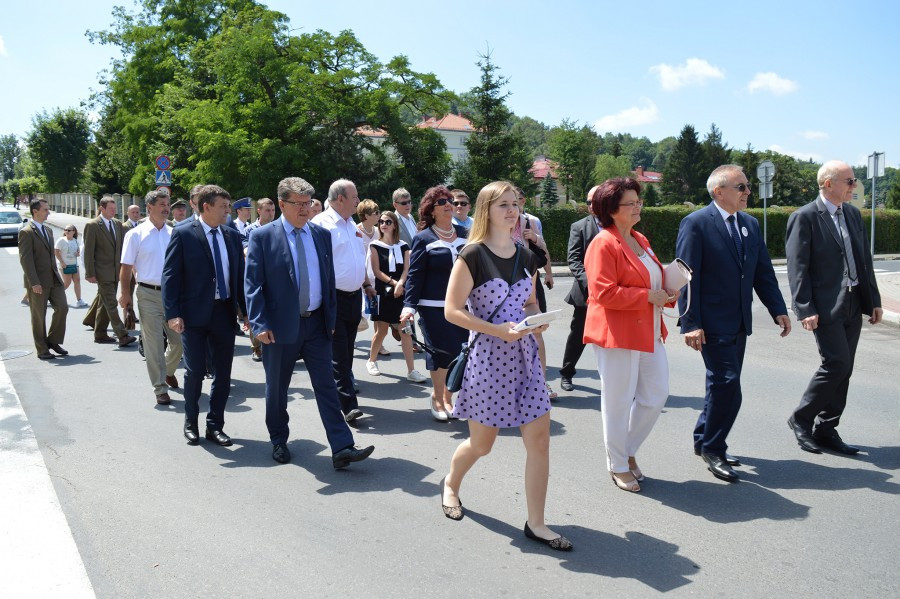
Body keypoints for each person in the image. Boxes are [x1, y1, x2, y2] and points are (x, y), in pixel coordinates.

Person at [440, 180, 571, 551]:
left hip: (525, 358)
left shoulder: (525, 255)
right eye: (503, 205)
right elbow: (452, 312)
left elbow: (528, 303)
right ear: (486, 210)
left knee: (540, 441)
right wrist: (495, 329)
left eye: (515, 203)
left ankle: (538, 523)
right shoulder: (472, 255)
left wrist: (537, 320)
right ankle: (451, 483)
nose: (512, 210)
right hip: (488, 361)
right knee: (482, 445)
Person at [245, 176, 375, 467]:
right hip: (279, 328)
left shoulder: (319, 235)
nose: (305, 210)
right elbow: (252, 285)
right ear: (281, 204)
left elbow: (327, 281)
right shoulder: (263, 237)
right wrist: (259, 323)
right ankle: (279, 439)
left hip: (316, 325)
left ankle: (342, 446)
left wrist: (329, 318)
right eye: (298, 204)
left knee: (327, 386)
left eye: (308, 204)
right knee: (277, 389)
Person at [675, 165, 791, 483]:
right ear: (719, 192)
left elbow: (762, 273)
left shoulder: (750, 225)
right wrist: (690, 322)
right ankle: (714, 447)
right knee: (729, 386)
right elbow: (687, 277)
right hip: (710, 322)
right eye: (741, 187)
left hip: (738, 320)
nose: (747, 192)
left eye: (748, 186)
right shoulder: (696, 223)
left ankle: (703, 439)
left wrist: (777, 308)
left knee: (721, 384)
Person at [583, 178, 679, 492]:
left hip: (649, 329)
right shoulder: (603, 242)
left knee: (656, 395)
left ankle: (627, 450)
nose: (638, 206)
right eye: (631, 203)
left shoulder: (640, 238)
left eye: (639, 201)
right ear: (611, 210)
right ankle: (618, 463)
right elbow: (603, 293)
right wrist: (645, 297)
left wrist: (668, 292)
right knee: (618, 400)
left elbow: (654, 279)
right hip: (617, 332)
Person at [785, 160, 882, 455]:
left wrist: (874, 300)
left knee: (846, 367)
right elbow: (797, 267)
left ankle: (827, 428)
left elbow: (864, 260)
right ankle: (801, 419)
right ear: (829, 184)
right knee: (836, 363)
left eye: (853, 181)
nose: (854, 186)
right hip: (825, 305)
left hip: (854, 300)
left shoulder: (852, 214)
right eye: (849, 181)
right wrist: (805, 307)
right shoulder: (805, 217)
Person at [162, 184, 247, 446]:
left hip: (223, 313)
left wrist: (245, 313)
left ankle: (215, 425)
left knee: (223, 373)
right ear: (206, 206)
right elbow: (170, 276)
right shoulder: (184, 233)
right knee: (195, 371)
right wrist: (173, 313)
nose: (227, 211)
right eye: (223, 206)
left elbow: (239, 277)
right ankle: (191, 422)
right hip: (193, 316)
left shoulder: (231, 236)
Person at [400, 186, 468, 421]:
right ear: (431, 209)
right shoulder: (424, 238)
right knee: (440, 354)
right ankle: (437, 398)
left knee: (460, 354)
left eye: (451, 200)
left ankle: (449, 398)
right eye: (442, 201)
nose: (449, 204)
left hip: (463, 306)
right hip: (432, 307)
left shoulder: (466, 234)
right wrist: (409, 307)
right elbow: (415, 275)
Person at [311, 179, 376, 423]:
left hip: (353, 298)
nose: (358, 200)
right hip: (332, 298)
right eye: (354, 196)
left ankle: (340, 396)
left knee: (347, 351)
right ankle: (348, 405)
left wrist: (367, 285)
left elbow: (357, 259)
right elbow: (315, 264)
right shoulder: (321, 225)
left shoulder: (351, 226)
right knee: (338, 354)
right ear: (340, 199)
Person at [119, 190, 184, 405]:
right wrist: (125, 295)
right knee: (154, 342)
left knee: (179, 341)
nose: (167, 208)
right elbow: (126, 267)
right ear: (150, 208)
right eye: (162, 204)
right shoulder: (135, 234)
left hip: (172, 295)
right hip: (147, 293)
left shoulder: (173, 233)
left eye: (168, 204)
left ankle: (167, 370)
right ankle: (159, 388)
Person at [366, 211, 427, 382]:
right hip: (383, 292)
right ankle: (371, 361)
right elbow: (377, 271)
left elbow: (407, 269)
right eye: (381, 222)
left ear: (394, 225)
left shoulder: (404, 246)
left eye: (387, 222)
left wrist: (401, 284)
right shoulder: (375, 245)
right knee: (382, 330)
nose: (383, 224)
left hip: (402, 292)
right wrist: (394, 283)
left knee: (405, 330)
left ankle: (411, 370)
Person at [512, 187, 555, 399]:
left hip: (530, 277)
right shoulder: (491, 225)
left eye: (516, 201)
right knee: (512, 332)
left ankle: (541, 383)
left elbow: (544, 250)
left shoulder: (530, 221)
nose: (513, 207)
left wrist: (535, 238)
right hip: (505, 282)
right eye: (506, 202)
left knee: (536, 330)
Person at [559, 185, 601, 392]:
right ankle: (567, 373)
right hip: (587, 293)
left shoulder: (619, 224)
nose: (591, 206)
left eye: (595, 201)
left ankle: (617, 381)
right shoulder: (579, 226)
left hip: (615, 294)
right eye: (588, 202)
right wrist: (590, 282)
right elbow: (574, 259)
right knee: (578, 336)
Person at [82, 196, 137, 347]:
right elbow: (88, 251)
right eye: (111, 209)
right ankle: (122, 334)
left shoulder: (117, 224)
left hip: (115, 271)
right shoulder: (92, 225)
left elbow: (121, 248)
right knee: (111, 303)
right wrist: (90, 273)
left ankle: (100, 333)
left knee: (104, 303)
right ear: (102, 208)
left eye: (115, 209)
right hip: (101, 272)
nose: (114, 211)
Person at [19, 199, 68, 360]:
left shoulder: (48, 230)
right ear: (35, 211)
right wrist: (34, 282)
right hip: (38, 281)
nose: (48, 212)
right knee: (39, 316)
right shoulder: (26, 232)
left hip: (53, 278)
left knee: (62, 307)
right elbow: (26, 260)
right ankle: (42, 349)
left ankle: (53, 340)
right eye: (45, 209)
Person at [55, 225, 88, 307]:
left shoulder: (75, 241)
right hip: (65, 265)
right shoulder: (61, 240)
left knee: (77, 280)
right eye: (65, 230)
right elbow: (56, 252)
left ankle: (79, 300)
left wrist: (78, 253)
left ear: (74, 231)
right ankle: (55, 297)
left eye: (69, 230)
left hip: (74, 264)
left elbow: (78, 251)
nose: (67, 231)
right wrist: (62, 262)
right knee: (67, 283)